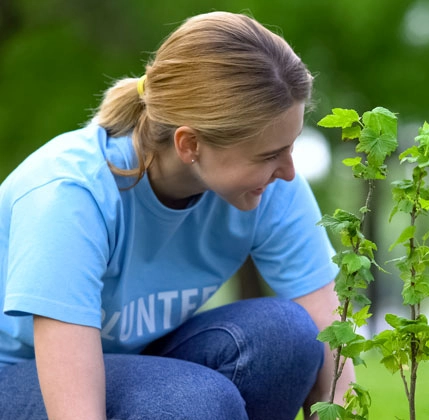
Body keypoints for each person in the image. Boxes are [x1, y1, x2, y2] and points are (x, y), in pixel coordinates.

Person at [0, 11, 353, 420]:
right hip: (19, 376)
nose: (288, 171)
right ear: (189, 144)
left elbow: (330, 334)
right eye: (270, 154)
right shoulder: (69, 195)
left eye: (290, 147)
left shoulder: (271, 185)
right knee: (192, 401)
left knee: (288, 334)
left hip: (139, 358)